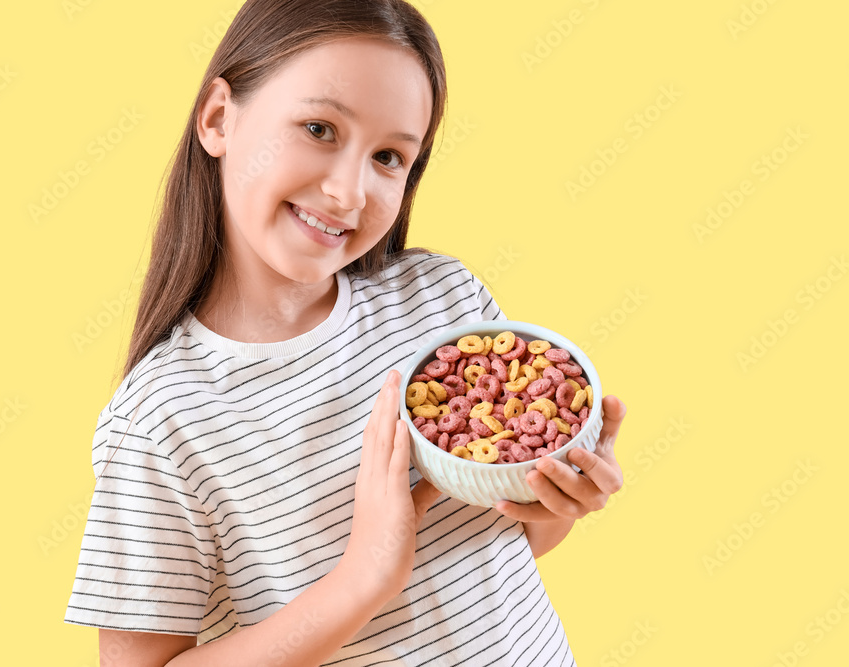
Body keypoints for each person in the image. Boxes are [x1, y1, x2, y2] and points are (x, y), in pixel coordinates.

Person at [63, 1, 627, 664]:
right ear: (219, 118)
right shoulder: (161, 417)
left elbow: (495, 555)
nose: (347, 191)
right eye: (319, 128)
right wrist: (362, 577)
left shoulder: (443, 300)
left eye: (389, 156)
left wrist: (554, 498)